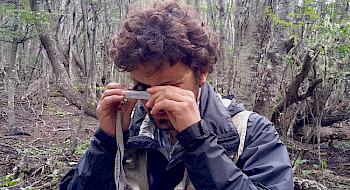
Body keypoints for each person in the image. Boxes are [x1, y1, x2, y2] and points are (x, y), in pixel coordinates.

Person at [60, 2, 293, 190]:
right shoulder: (127, 131)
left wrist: (198, 141)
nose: (153, 102)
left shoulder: (250, 131)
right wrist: (107, 141)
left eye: (169, 86)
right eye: (142, 86)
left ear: (201, 73)